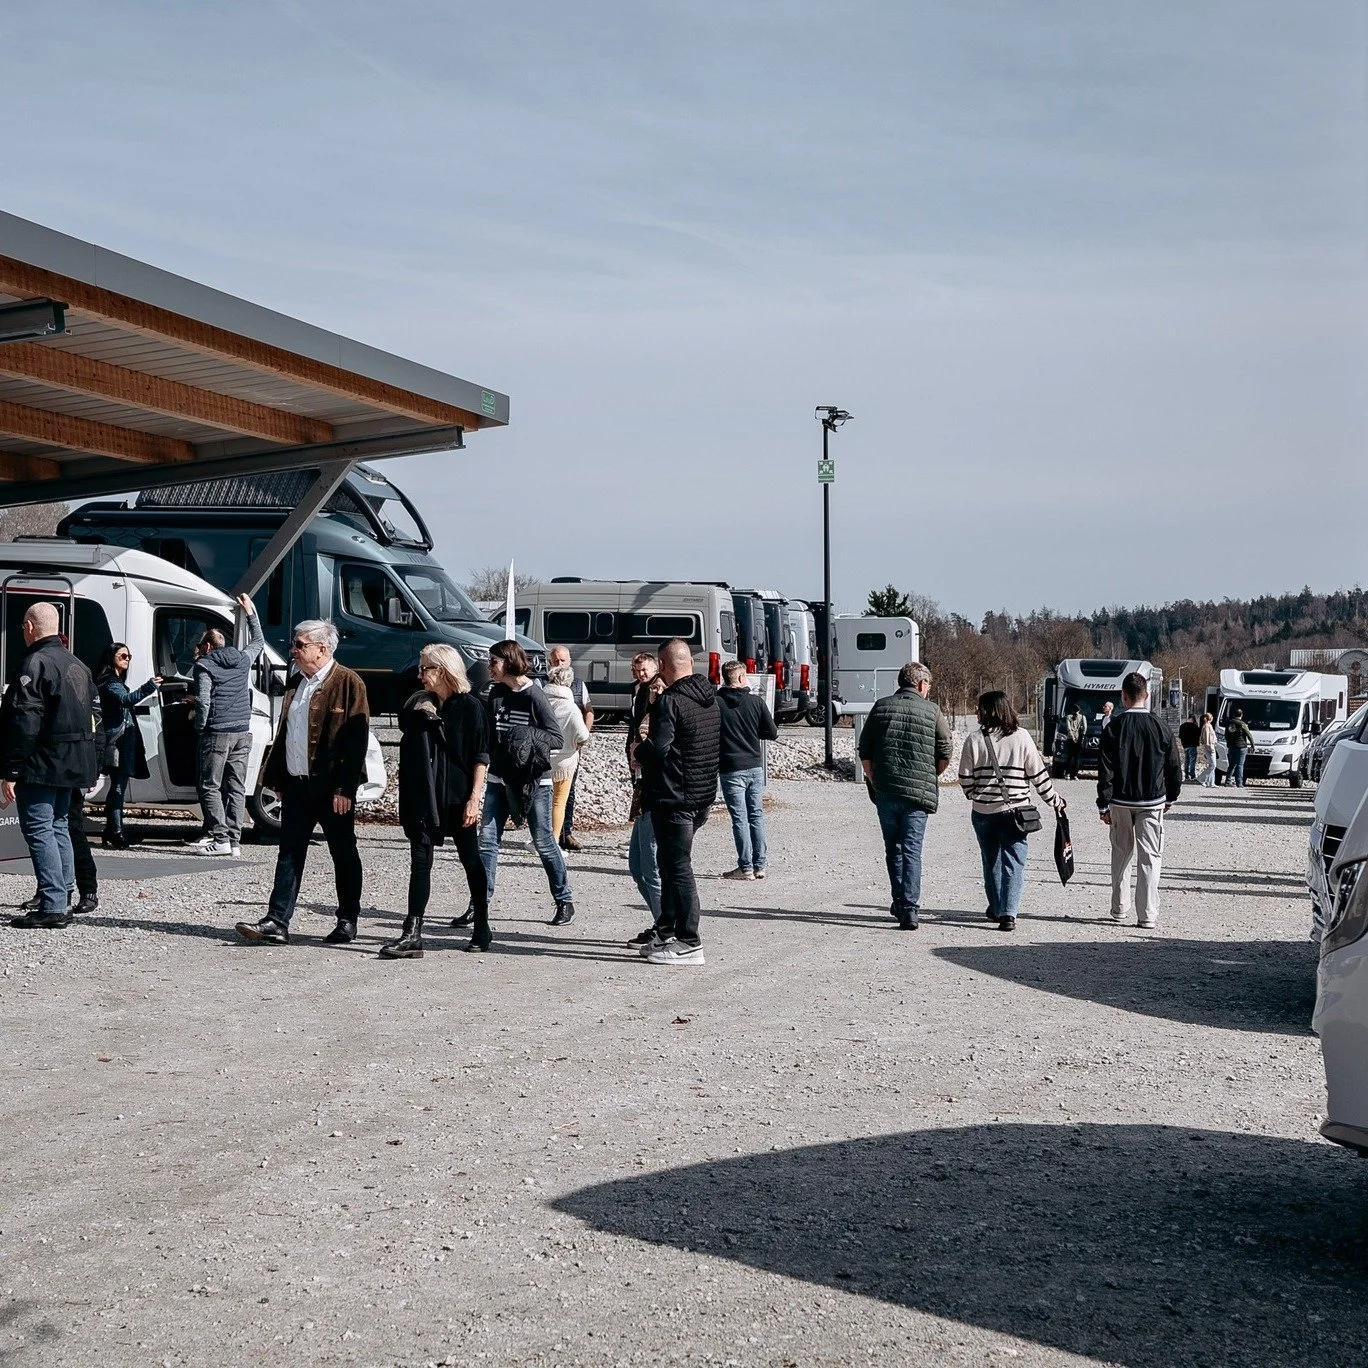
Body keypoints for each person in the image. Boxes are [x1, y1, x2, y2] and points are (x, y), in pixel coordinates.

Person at [235, 620, 369, 946]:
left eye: (299, 645)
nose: (292, 651)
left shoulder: (348, 683)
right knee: (289, 852)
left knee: (343, 852)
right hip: (296, 786)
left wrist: (344, 789)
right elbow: (285, 734)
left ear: (322, 649)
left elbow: (355, 742)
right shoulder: (296, 681)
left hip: (331, 788)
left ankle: (347, 920)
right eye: (294, 644)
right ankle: (277, 921)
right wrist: (278, 776)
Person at [384, 643, 490, 958]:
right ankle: (412, 932)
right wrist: (422, 704)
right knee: (420, 861)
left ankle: (482, 923)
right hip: (426, 798)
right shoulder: (421, 706)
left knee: (470, 859)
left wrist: (475, 797)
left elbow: (481, 757)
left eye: (425, 668)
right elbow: (404, 710)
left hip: (458, 796)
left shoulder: (471, 707)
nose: (419, 674)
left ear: (441, 670)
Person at [0, 603, 99, 929]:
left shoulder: (35, 663)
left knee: (40, 829)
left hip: (43, 763)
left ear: (29, 626)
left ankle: (54, 903)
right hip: (73, 762)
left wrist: (11, 770)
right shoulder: (77, 664)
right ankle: (62, 894)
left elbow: (24, 722)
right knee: (58, 827)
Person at [477, 639, 576, 926]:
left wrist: (525, 739)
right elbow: (488, 735)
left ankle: (564, 901)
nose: (489, 666)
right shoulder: (494, 692)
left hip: (534, 783)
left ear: (508, 661)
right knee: (487, 841)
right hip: (498, 778)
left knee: (544, 842)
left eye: (493, 661)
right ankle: (479, 905)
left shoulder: (535, 694)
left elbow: (555, 737)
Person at [634, 639, 720, 966]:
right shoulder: (709, 697)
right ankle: (667, 931)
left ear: (663, 666)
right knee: (670, 866)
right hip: (701, 796)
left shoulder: (672, 700)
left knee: (678, 868)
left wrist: (637, 753)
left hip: (674, 797)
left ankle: (689, 941)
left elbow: (658, 747)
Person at [857, 660, 953, 930]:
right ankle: (910, 908)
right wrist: (931, 773)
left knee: (893, 848)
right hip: (918, 795)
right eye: (929, 685)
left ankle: (899, 901)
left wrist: (874, 778)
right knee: (912, 850)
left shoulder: (881, 706)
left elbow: (865, 748)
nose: (929, 689)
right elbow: (945, 749)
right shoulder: (933, 711)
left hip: (886, 790)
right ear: (921, 684)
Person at [959, 690, 1065, 931]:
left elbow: (965, 776)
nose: (976, 712)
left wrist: (974, 795)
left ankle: (996, 908)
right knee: (1014, 862)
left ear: (988, 711)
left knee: (991, 861)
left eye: (979, 708)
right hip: (1015, 812)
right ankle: (1009, 914)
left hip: (983, 812)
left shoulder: (974, 739)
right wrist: (1054, 800)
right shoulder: (1022, 737)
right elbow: (1038, 776)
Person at [1096, 671, 1183, 929]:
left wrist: (1104, 803)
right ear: (1147, 695)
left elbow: (1105, 771)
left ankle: (1119, 908)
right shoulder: (1161, 727)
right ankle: (1147, 914)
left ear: (1123, 697)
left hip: (1121, 801)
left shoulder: (1113, 728)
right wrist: (1171, 797)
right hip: (1152, 800)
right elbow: (1174, 768)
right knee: (1149, 857)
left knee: (1121, 854)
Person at [189, 592, 266, 856]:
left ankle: (219, 838)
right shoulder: (243, 659)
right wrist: (251, 612)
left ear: (208, 647)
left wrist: (199, 726)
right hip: (242, 731)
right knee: (236, 786)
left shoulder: (204, 666)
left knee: (210, 785)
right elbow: (259, 641)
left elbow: (203, 701)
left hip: (217, 731)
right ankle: (234, 842)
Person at [94, 642, 162, 849]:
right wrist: (150, 687)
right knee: (117, 788)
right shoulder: (109, 683)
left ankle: (113, 830)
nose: (127, 659)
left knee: (118, 787)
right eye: (122, 656)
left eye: (129, 656)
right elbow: (126, 700)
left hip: (122, 739)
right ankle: (115, 832)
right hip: (118, 741)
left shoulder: (115, 682)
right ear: (111, 657)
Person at [717, 659, 778, 880]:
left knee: (739, 819)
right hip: (753, 765)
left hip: (730, 767)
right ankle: (760, 865)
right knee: (756, 816)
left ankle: (745, 867)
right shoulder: (756, 702)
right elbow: (771, 732)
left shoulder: (716, 703)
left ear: (725, 678)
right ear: (742, 678)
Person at [624, 651, 666, 945]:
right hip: (642, 786)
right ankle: (661, 922)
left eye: (644, 669)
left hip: (656, 790)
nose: (640, 674)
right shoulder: (639, 692)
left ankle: (666, 928)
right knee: (637, 866)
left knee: (650, 867)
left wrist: (640, 752)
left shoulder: (661, 694)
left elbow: (655, 741)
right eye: (636, 670)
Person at [548, 645, 594, 852]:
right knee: (552, 795)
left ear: (570, 661)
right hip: (559, 751)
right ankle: (551, 836)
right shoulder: (543, 685)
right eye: (556, 661)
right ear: (550, 662)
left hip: (570, 748)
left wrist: (582, 734)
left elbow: (589, 711)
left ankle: (566, 832)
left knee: (568, 793)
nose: (559, 664)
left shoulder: (579, 686)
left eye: (563, 660)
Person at [1224, 708, 1253, 787]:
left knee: (1231, 765)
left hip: (1231, 747)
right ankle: (1239, 783)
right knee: (1240, 765)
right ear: (1241, 715)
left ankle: (1227, 781)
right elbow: (1249, 735)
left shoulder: (1229, 724)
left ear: (1234, 715)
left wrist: (1228, 743)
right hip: (1241, 747)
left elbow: (1226, 735)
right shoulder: (1242, 724)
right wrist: (1252, 745)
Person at [1063, 703, 1087, 780]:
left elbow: (1068, 728)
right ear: (1079, 710)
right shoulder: (1082, 717)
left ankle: (1067, 773)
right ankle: (1075, 775)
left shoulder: (1068, 717)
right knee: (1077, 757)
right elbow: (1085, 728)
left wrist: (1072, 737)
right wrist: (1082, 736)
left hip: (1070, 738)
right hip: (1079, 738)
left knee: (1070, 756)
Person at [1178, 714, 1201, 782]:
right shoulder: (1195, 726)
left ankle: (1186, 775)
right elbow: (1198, 735)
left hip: (1185, 745)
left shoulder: (1182, 726)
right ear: (1194, 719)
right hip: (1193, 745)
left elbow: (1180, 736)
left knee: (1186, 760)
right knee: (1192, 761)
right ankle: (1192, 775)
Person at [1198, 711, 1218, 787]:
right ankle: (1201, 778)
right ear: (1211, 718)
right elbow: (1206, 738)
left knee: (1212, 765)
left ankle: (1211, 782)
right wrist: (1209, 747)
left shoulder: (1208, 725)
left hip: (1211, 746)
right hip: (1210, 747)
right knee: (1213, 765)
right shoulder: (1207, 726)